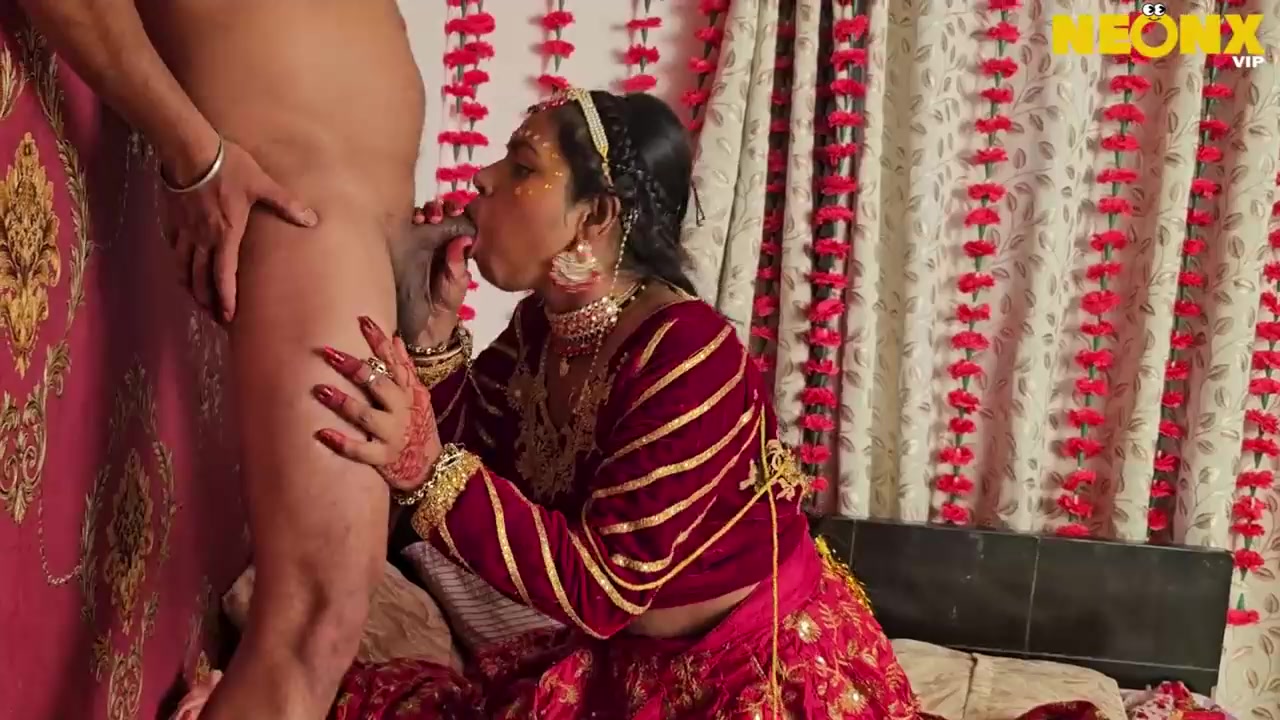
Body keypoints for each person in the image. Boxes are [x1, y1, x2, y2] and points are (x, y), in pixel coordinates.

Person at [310, 89, 922, 719]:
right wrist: (434, 327)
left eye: (521, 166)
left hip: (749, 676)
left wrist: (424, 469)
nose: (483, 178)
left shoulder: (689, 356)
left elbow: (603, 588)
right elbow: (474, 446)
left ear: (595, 216)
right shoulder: (540, 327)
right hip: (630, 662)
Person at [14, 2, 438, 717]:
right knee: (316, 623)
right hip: (308, 223)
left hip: (348, 246)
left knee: (323, 621)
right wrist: (195, 156)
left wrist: (404, 257)